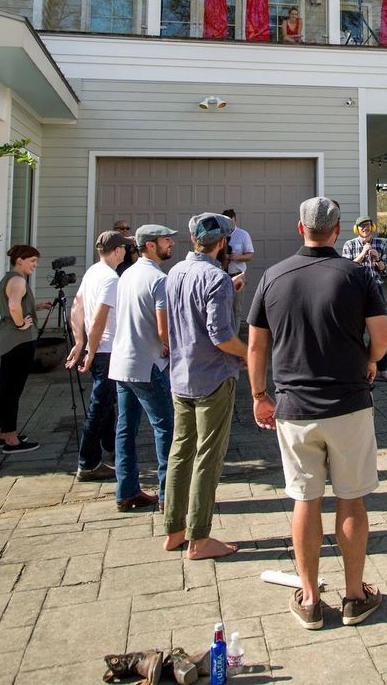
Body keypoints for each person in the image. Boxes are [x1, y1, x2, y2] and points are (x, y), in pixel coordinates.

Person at [247, 197, 387, 630]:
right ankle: (353, 595)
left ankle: (309, 599)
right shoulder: (357, 275)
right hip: (348, 404)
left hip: (294, 407)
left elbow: (256, 345)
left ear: (299, 228)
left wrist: (259, 394)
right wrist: (370, 360)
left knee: (304, 499)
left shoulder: (273, 277)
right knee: (351, 497)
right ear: (338, 230)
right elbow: (382, 336)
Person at [163, 212, 248, 560]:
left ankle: (174, 530)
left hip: (181, 375)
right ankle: (199, 538)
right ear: (224, 242)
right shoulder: (217, 278)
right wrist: (251, 354)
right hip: (213, 376)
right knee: (208, 456)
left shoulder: (174, 273)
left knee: (180, 450)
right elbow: (222, 336)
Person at [110, 224, 178, 513]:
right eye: (166, 240)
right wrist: (172, 349)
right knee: (166, 428)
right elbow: (164, 328)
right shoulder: (158, 279)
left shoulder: (127, 274)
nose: (171, 244)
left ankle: (126, 492)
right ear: (150, 245)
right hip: (147, 363)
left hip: (121, 361)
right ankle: (168, 496)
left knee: (125, 429)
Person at [67, 230, 126, 482]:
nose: (125, 251)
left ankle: (112, 449)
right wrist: (89, 349)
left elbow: (77, 304)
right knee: (98, 408)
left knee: (107, 406)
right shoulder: (111, 279)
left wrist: (79, 341)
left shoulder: (93, 271)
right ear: (115, 251)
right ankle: (88, 463)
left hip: (99, 349)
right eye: (123, 247)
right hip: (107, 350)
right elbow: (99, 317)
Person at [0, 245, 52, 452]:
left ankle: (1, 433)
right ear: (20, 261)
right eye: (32, 261)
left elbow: (16, 305)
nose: (35, 265)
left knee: (6, 388)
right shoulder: (18, 280)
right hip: (18, 341)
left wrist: (36, 307)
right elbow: (14, 306)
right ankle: (11, 440)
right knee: (12, 390)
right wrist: (20, 325)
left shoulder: (8, 279)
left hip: (7, 340)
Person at [342, 216, 387, 382]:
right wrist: (363, 254)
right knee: (355, 329)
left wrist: (377, 258)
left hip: (376, 289)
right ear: (356, 229)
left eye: (367, 226)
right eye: (361, 226)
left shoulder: (381, 244)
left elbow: (386, 270)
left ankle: (383, 369)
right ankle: (356, 367)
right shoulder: (349, 245)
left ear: (372, 227)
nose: (365, 228)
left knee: (378, 331)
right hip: (356, 290)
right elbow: (346, 270)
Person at [222, 208, 254, 336]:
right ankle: (223, 336)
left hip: (237, 275)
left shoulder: (243, 235)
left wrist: (238, 257)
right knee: (223, 307)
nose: (229, 224)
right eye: (226, 222)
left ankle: (234, 336)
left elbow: (250, 255)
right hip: (221, 276)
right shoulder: (219, 234)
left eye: (231, 221)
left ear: (236, 220)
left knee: (236, 308)